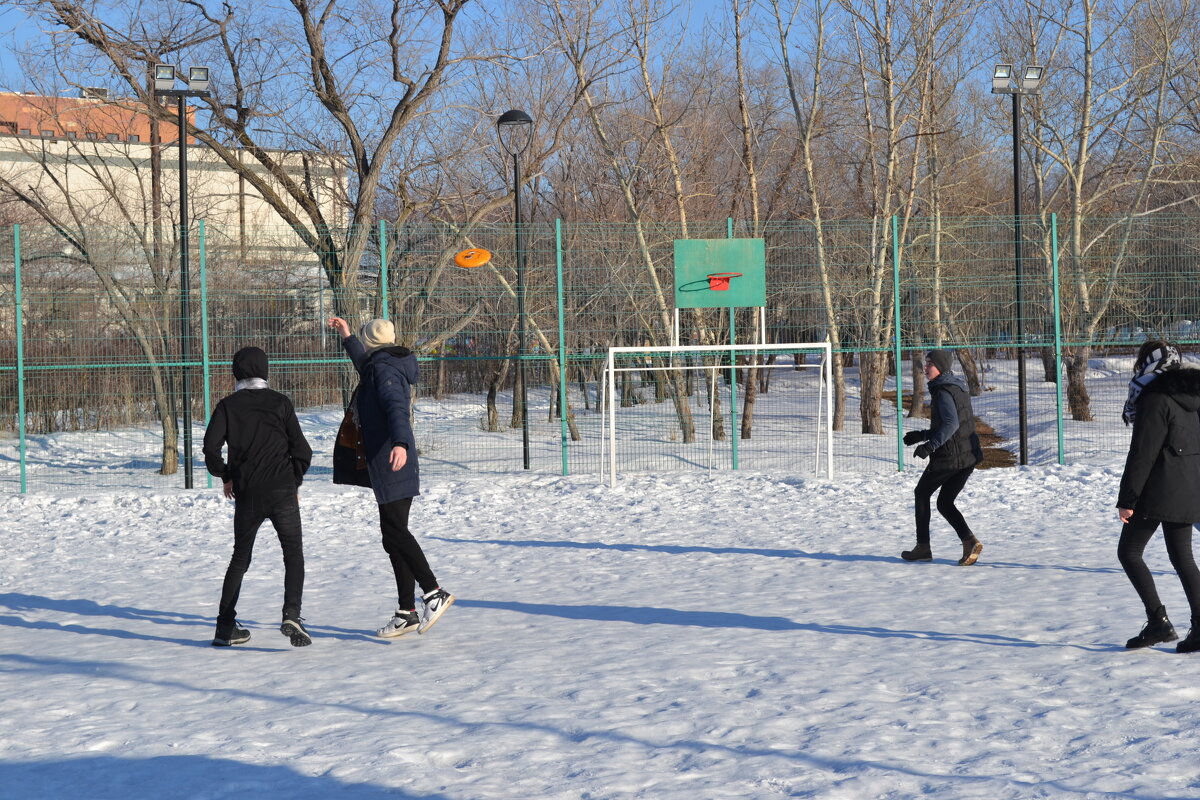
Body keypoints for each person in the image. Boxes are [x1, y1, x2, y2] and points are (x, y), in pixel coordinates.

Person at [327, 316, 454, 637]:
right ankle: (406, 612)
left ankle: (433, 592)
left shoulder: (383, 371)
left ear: (371, 342)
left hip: (393, 459)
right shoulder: (382, 364)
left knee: (396, 532)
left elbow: (396, 407)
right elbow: (364, 365)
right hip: (390, 460)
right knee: (392, 534)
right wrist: (346, 336)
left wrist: (399, 443)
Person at [203, 346, 313, 647]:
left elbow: (210, 449)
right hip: (281, 491)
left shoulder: (228, 406)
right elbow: (302, 451)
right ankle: (292, 613)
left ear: (235, 373)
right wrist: (294, 482)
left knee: (240, 558)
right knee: (293, 554)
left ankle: (224, 627)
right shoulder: (281, 403)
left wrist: (226, 475)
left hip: (247, 492)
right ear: (266, 370)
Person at [1116, 341, 1200, 652]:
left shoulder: (1153, 397)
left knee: (1129, 552)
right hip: (1188, 487)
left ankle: (1157, 622)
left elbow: (1142, 454)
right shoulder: (1192, 395)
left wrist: (1127, 499)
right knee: (1183, 559)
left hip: (1157, 489)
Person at [900, 349, 984, 565]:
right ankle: (969, 541)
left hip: (951, 457)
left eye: (929, 363)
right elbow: (954, 426)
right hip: (967, 456)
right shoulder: (955, 387)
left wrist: (930, 446)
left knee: (921, 493)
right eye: (925, 363)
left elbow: (951, 425)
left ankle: (922, 548)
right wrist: (922, 435)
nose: (925, 367)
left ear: (941, 366)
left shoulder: (943, 391)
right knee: (945, 502)